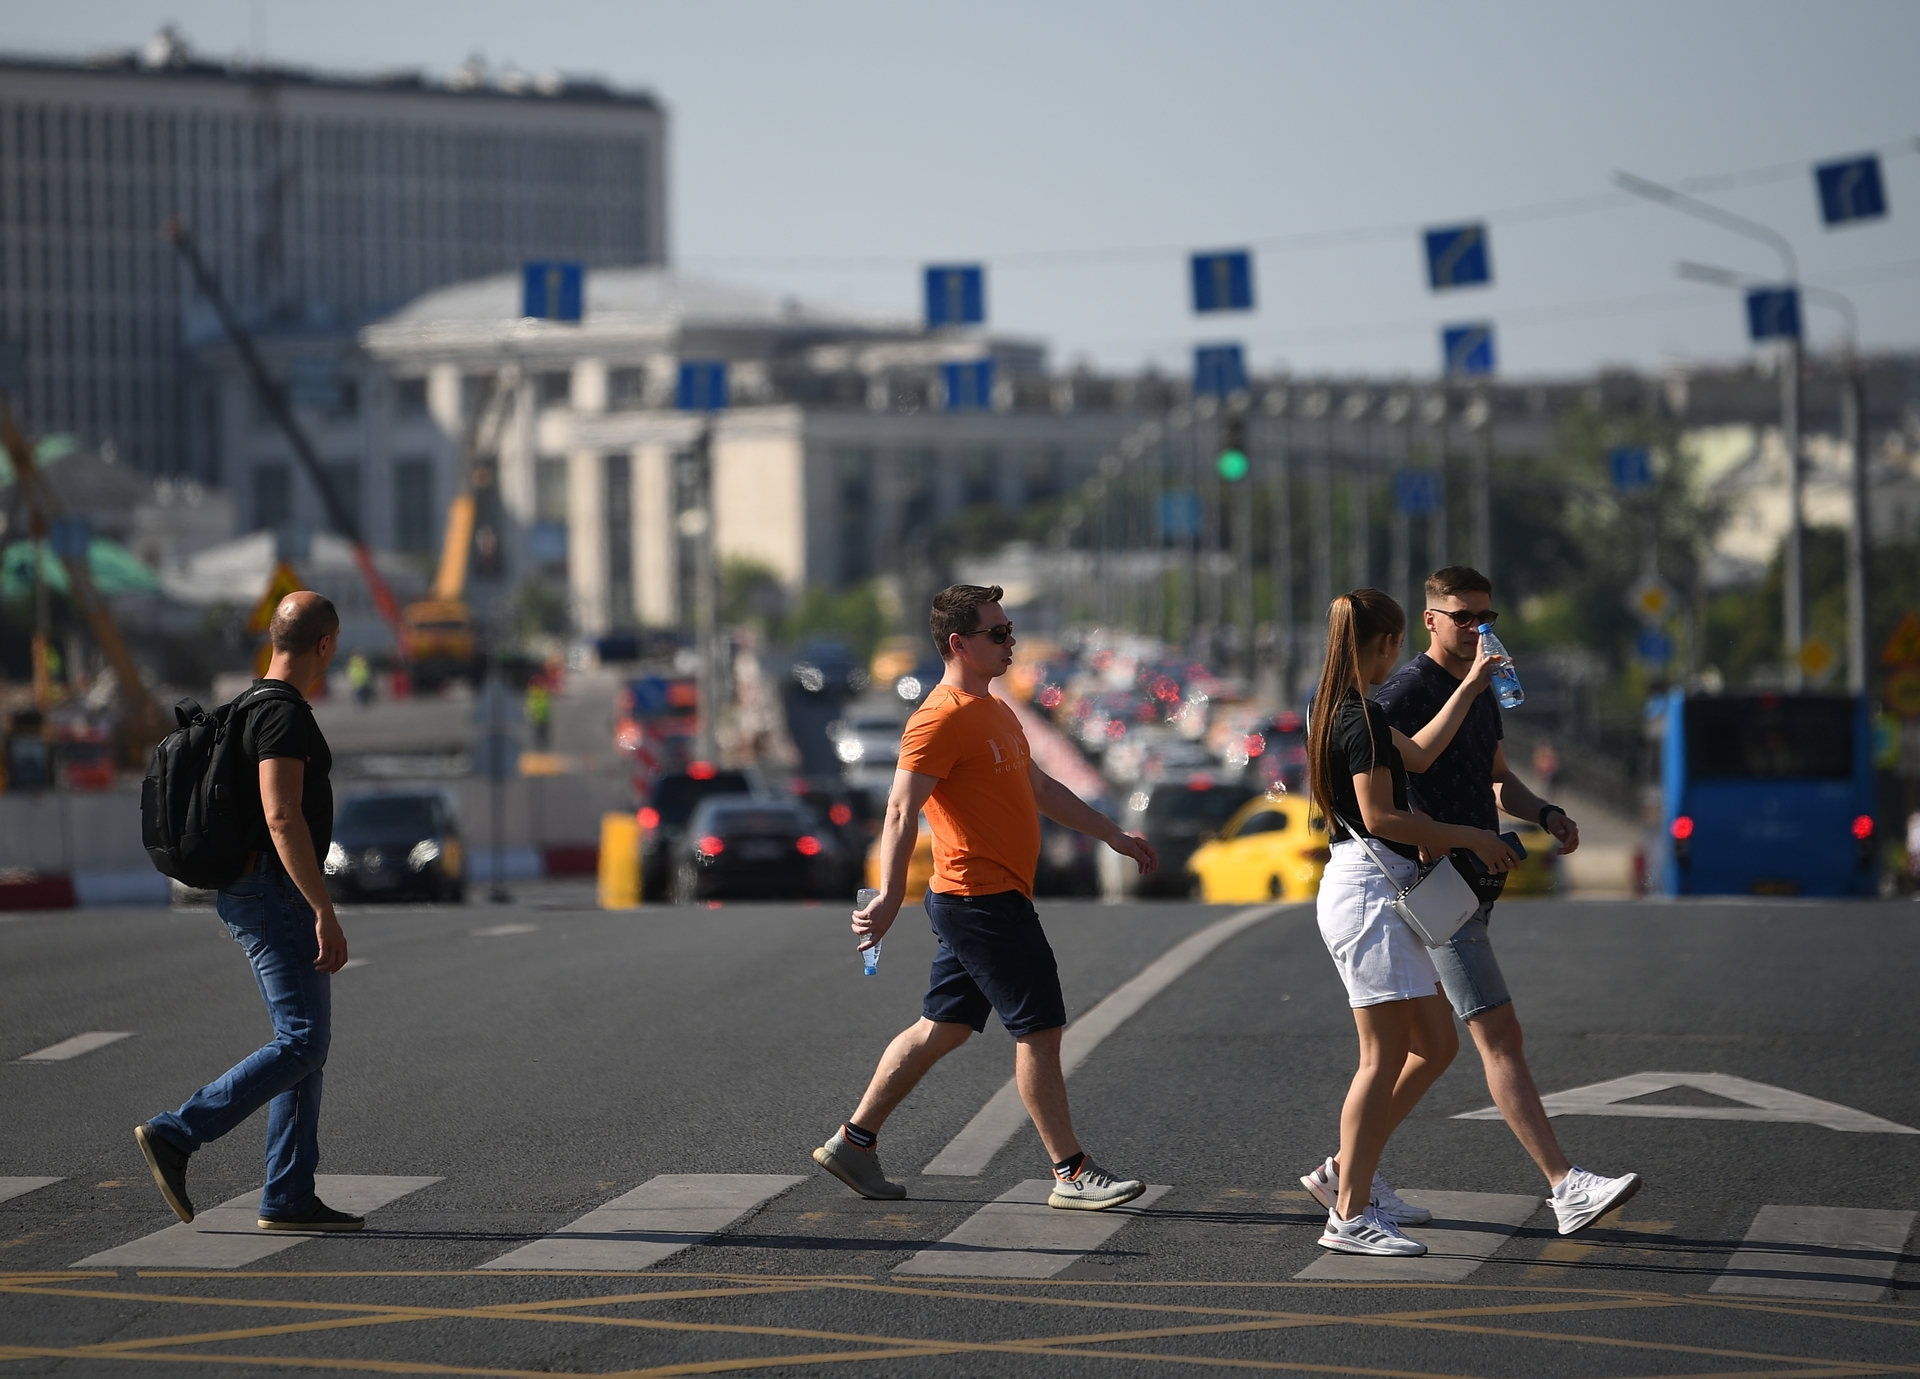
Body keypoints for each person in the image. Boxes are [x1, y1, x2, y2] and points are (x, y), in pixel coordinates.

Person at [812, 584, 1160, 1210]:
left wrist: (1112, 833)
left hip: (986, 896)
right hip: (981, 898)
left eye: (1009, 631)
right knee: (1041, 1030)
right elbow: (899, 810)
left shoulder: (995, 709)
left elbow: (1041, 789)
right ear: (958, 644)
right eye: (997, 633)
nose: (1010, 642)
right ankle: (1072, 1172)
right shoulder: (939, 717)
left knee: (941, 1027)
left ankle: (853, 1142)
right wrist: (891, 894)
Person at [1373, 566, 1640, 1235]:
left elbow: (1495, 778)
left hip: (1471, 884)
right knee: (1499, 1035)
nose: (1477, 627)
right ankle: (1564, 1184)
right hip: (1435, 893)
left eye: (1485, 615)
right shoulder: (1408, 688)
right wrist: (1424, 834)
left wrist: (1545, 811)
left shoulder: (1487, 682)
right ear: (1430, 619)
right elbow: (1379, 767)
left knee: (1429, 1050)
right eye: (1462, 615)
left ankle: (1343, 1166)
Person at [134, 592, 364, 1233]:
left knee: (304, 1046)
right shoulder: (282, 718)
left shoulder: (245, 707)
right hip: (273, 892)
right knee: (302, 1041)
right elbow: (281, 814)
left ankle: (288, 1195)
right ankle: (177, 1133)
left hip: (257, 889)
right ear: (326, 645)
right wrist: (324, 907)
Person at [1303, 588, 1519, 1256]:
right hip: (1368, 891)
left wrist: (1474, 685)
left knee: (1436, 1043)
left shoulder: (1346, 708)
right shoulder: (1358, 717)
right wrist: (1467, 835)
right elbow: (1381, 816)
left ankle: (1348, 1175)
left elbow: (1420, 756)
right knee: (1382, 1055)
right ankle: (1348, 1213)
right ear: (1388, 643)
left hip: (1378, 885)